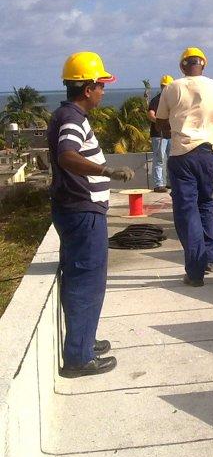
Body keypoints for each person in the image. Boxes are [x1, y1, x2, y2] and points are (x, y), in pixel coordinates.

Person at [50, 51, 135, 377]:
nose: (104, 91)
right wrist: (105, 171)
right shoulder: (72, 119)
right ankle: (79, 357)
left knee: (81, 278)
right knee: (87, 281)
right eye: (101, 85)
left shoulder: (69, 114)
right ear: (87, 89)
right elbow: (67, 155)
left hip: (77, 209)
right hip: (82, 212)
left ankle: (84, 341)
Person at [156, 47, 213, 287]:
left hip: (183, 154)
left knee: (187, 211)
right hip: (209, 153)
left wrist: (178, 125)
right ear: (203, 64)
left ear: (182, 66)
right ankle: (210, 257)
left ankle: (195, 272)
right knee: (205, 203)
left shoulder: (173, 87)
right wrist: (210, 128)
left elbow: (161, 124)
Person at [147, 74, 174, 193]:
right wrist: (160, 122)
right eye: (164, 86)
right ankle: (159, 184)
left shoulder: (173, 101)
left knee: (172, 159)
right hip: (159, 135)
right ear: (162, 87)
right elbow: (150, 114)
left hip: (170, 135)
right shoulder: (156, 100)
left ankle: (170, 182)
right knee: (159, 159)